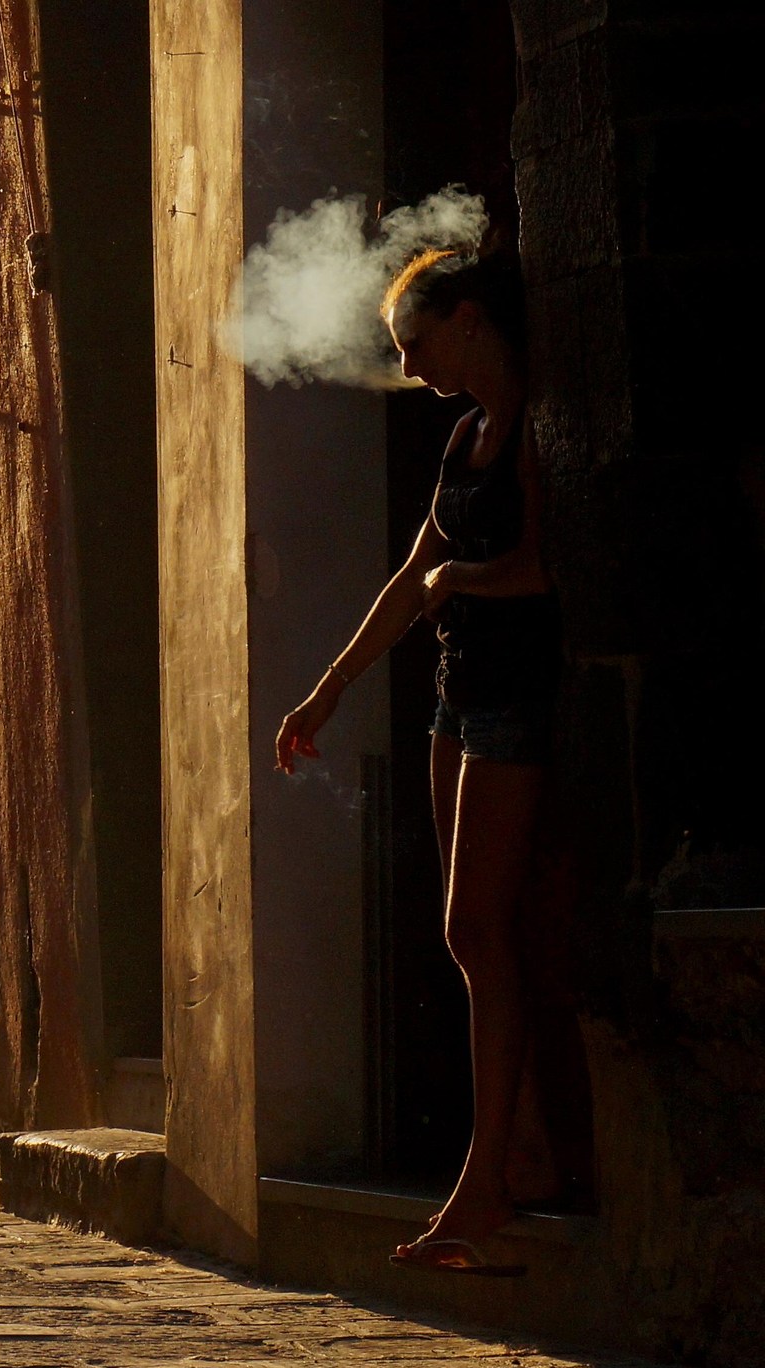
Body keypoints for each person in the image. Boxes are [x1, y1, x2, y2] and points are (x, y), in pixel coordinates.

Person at [274, 249, 556, 1279]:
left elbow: (539, 567)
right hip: (457, 698)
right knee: (467, 930)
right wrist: (331, 686)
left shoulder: (531, 424)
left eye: (416, 345)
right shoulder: (462, 437)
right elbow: (409, 578)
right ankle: (515, 1153)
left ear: (469, 321)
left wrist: (456, 577)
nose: (410, 369)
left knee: (475, 926)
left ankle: (487, 1184)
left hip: (518, 697)